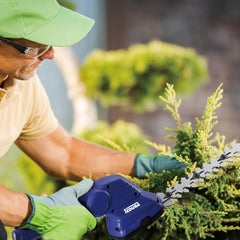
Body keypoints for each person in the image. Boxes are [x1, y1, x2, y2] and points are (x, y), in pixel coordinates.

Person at [0, 0, 186, 239]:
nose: (51, 54)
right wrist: (40, 214)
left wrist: (145, 166)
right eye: (35, 47)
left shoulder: (22, 86)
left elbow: (63, 152)